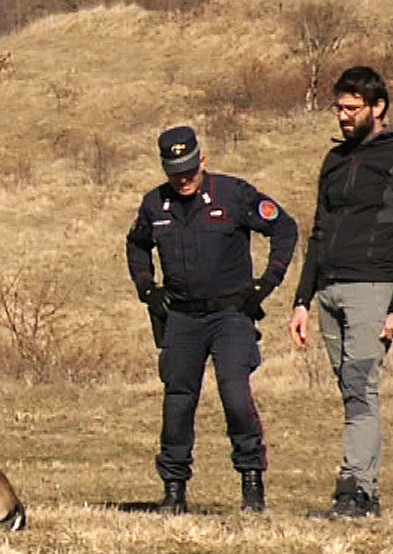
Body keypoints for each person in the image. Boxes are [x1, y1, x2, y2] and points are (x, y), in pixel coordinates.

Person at [126, 125, 297, 514]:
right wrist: (147, 289)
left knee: (235, 394)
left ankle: (251, 484)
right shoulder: (155, 205)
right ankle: (174, 491)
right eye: (175, 171)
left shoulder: (234, 195)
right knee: (177, 402)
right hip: (182, 318)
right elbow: (136, 245)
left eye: (190, 169)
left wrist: (266, 284)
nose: (184, 179)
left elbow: (284, 227)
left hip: (231, 314)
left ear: (203, 160)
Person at [288, 66, 393, 518]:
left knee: (360, 387)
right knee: (351, 390)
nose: (343, 116)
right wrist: (301, 299)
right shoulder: (333, 161)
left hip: (374, 287)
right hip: (330, 289)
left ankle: (355, 491)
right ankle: (363, 494)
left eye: (352, 109)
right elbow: (317, 232)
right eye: (339, 108)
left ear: (378, 108)